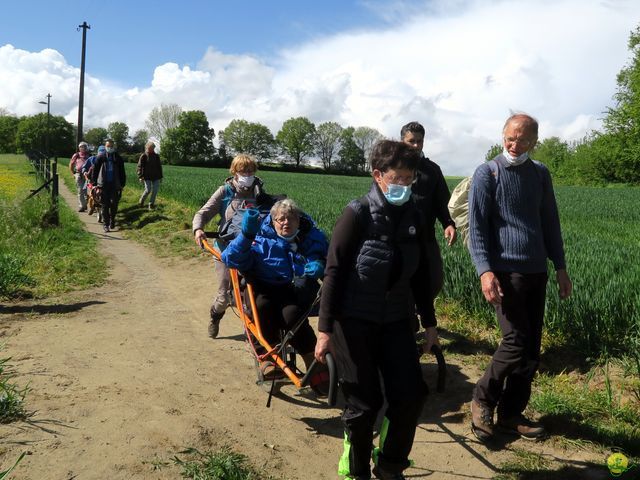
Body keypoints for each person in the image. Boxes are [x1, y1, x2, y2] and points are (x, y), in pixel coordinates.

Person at [315, 140, 438, 480]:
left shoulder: (415, 216)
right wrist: (324, 330)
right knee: (364, 405)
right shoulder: (357, 213)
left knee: (411, 395)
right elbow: (334, 271)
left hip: (397, 318)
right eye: (397, 178)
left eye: (410, 179)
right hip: (352, 321)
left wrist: (429, 324)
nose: (403, 186)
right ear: (378, 175)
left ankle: (390, 465)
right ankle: (355, 471)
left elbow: (422, 275)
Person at [468, 113, 572, 442]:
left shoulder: (540, 174)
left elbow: (550, 222)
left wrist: (560, 267)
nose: (515, 145)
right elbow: (478, 228)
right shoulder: (488, 173)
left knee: (531, 351)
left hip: (536, 271)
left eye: (523, 139)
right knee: (514, 343)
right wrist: (485, 271)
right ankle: (482, 400)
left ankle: (511, 413)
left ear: (534, 142)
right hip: (505, 273)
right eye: (510, 138)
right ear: (503, 136)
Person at [221, 199, 329, 388]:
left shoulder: (306, 240)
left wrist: (319, 265)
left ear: (298, 221)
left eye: (291, 218)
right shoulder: (260, 240)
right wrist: (246, 235)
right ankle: (268, 359)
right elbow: (230, 258)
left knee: (293, 314)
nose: (286, 222)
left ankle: (314, 364)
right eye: (281, 219)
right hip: (261, 288)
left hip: (289, 290)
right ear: (272, 222)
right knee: (263, 307)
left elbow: (323, 256)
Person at [193, 154, 267, 339]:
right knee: (224, 295)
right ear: (234, 172)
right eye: (243, 170)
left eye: (250, 170)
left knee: (254, 290)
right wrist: (198, 229)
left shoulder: (259, 193)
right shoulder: (225, 192)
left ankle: (254, 329)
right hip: (225, 249)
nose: (247, 174)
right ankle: (215, 317)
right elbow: (204, 212)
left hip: (251, 248)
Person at [401, 122, 456, 324]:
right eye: (411, 141)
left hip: (426, 238)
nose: (416, 145)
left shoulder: (432, 170)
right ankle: (407, 320)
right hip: (400, 238)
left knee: (434, 280)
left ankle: (416, 311)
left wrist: (448, 223)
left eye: (419, 141)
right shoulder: (393, 167)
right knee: (402, 280)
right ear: (402, 141)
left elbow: (443, 202)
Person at [91, 140, 126, 233]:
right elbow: (95, 171)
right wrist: (94, 184)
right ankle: (106, 224)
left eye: (111, 146)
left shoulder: (118, 158)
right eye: (108, 146)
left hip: (115, 184)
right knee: (105, 205)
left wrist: (122, 184)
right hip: (103, 185)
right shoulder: (100, 157)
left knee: (114, 203)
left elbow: (122, 172)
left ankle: (112, 220)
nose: (109, 148)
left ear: (114, 147)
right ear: (105, 147)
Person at [137, 141, 163, 210]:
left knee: (155, 190)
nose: (150, 149)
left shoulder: (156, 156)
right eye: (149, 148)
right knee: (148, 190)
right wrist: (140, 176)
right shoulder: (144, 156)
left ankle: (151, 204)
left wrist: (160, 177)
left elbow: (159, 167)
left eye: (152, 148)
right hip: (146, 176)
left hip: (156, 176)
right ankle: (141, 201)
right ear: (146, 147)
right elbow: (140, 166)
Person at [69, 142, 91, 212]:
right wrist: (73, 173)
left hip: (86, 175)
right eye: (81, 147)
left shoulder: (89, 156)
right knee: (80, 190)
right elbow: (71, 164)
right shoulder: (76, 155)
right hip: (78, 174)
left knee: (85, 190)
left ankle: (85, 204)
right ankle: (82, 206)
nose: (83, 148)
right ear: (79, 148)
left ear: (86, 148)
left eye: (84, 147)